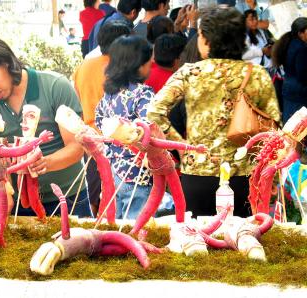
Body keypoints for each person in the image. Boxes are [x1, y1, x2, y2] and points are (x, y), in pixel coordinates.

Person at [147, 7, 281, 218]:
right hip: (243, 177)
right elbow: (274, 130)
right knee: (242, 242)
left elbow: (154, 113)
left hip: (197, 177)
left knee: (196, 242)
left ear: (208, 40)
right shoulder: (257, 75)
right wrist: (271, 177)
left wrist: (181, 147)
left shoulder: (190, 72)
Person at [0, 32, 92, 217]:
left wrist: (44, 163)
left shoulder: (55, 86)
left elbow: (77, 147)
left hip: (67, 197)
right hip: (19, 204)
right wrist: (4, 188)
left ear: (5, 61)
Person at [95, 35, 173, 219]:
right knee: (137, 231)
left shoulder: (109, 95)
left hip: (114, 172)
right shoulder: (142, 93)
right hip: (138, 174)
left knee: (116, 228)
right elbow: (150, 130)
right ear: (138, 66)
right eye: (148, 61)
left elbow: (99, 122)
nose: (152, 63)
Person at [73, 21, 131, 216]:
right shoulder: (122, 69)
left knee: (94, 193)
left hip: (89, 140)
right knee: (115, 197)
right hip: (116, 142)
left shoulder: (84, 66)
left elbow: (77, 98)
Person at [272, 17, 307, 123]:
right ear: (301, 33)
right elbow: (303, 75)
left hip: (289, 88)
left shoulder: (289, 43)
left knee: (290, 125)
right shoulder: (301, 48)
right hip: (300, 93)